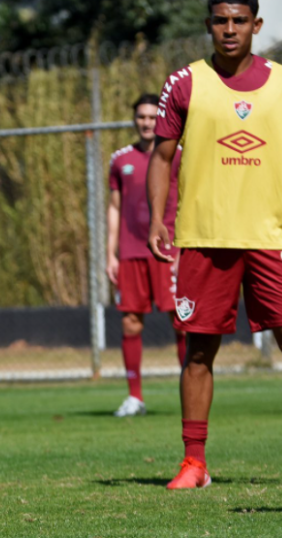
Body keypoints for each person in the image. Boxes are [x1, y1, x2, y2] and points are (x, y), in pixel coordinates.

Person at [148, 0, 282, 490]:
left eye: (239, 20)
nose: (230, 29)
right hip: (204, 237)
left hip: (269, 238)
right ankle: (194, 464)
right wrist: (158, 219)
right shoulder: (185, 83)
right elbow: (161, 157)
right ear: (208, 25)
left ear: (256, 25)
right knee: (199, 351)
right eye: (221, 20)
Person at [107, 94, 186, 417]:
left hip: (168, 253)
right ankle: (135, 396)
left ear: (162, 119)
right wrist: (110, 253)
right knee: (130, 324)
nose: (147, 122)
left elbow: (188, 202)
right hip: (130, 252)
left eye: (153, 117)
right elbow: (114, 207)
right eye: (142, 117)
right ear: (134, 120)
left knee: (181, 322)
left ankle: (188, 392)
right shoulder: (120, 160)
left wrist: (184, 249)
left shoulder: (178, 156)